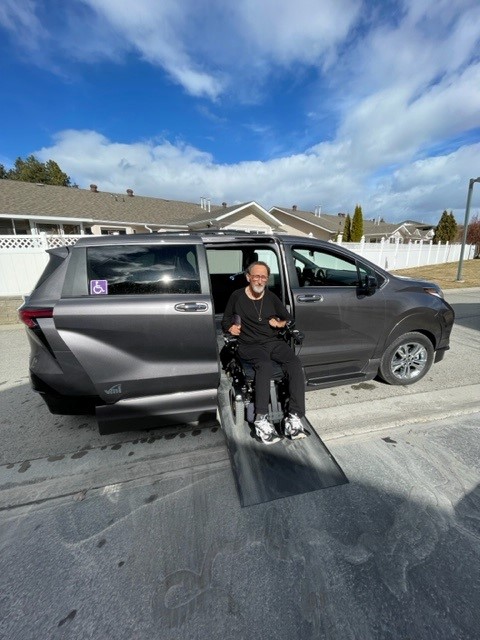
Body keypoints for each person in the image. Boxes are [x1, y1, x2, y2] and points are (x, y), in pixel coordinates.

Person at [222, 261, 306, 445]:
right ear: (248, 277)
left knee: (294, 362)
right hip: (249, 344)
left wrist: (280, 323)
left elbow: (288, 318)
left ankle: (293, 416)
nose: (260, 280)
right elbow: (225, 319)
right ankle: (261, 419)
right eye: (256, 276)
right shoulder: (237, 296)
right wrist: (231, 327)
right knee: (265, 365)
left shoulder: (270, 297)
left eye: (264, 277)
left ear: (267, 279)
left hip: (272, 342)